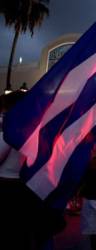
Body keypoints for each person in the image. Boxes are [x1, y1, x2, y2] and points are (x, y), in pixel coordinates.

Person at [0, 91, 65, 250]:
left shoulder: (10, 130)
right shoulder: (33, 130)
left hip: (7, 187)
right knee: (22, 235)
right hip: (26, 187)